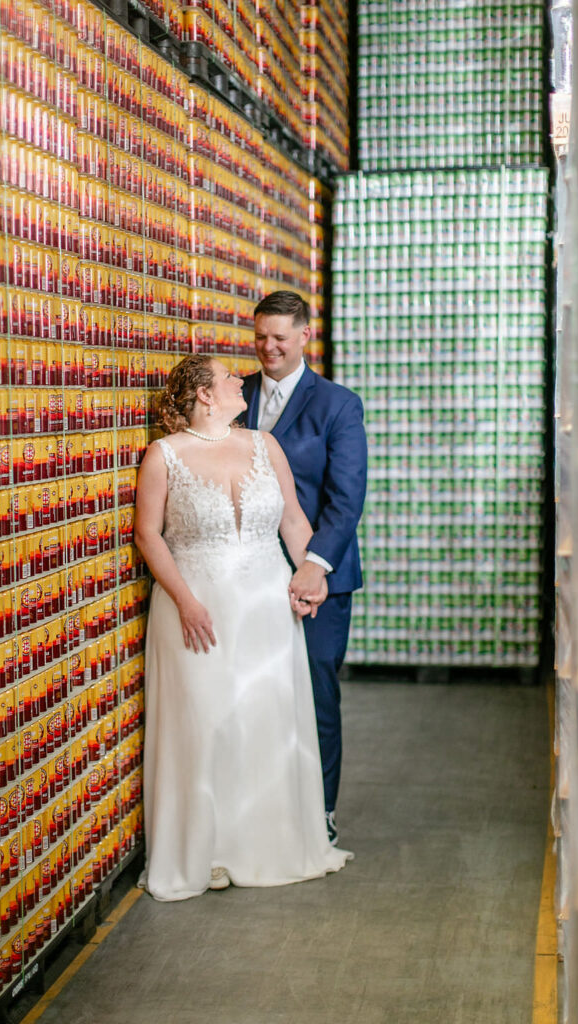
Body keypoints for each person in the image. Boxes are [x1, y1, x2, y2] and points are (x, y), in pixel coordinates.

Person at [135, 354, 351, 901]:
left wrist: (309, 575)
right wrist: (184, 600)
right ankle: (206, 850)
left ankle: (267, 843)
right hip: (196, 609)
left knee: (265, 721)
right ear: (206, 395)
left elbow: (295, 521)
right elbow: (149, 536)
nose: (242, 381)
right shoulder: (163, 455)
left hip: (265, 607)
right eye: (231, 377)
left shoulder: (263, 445)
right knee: (205, 724)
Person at [241, 291, 367, 846]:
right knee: (255, 692)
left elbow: (346, 497)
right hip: (247, 573)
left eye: (280, 338)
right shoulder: (234, 395)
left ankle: (320, 811)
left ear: (303, 337)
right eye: (261, 337)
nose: (268, 348)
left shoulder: (337, 404)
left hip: (318, 577)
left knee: (316, 691)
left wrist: (315, 566)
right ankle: (263, 807)